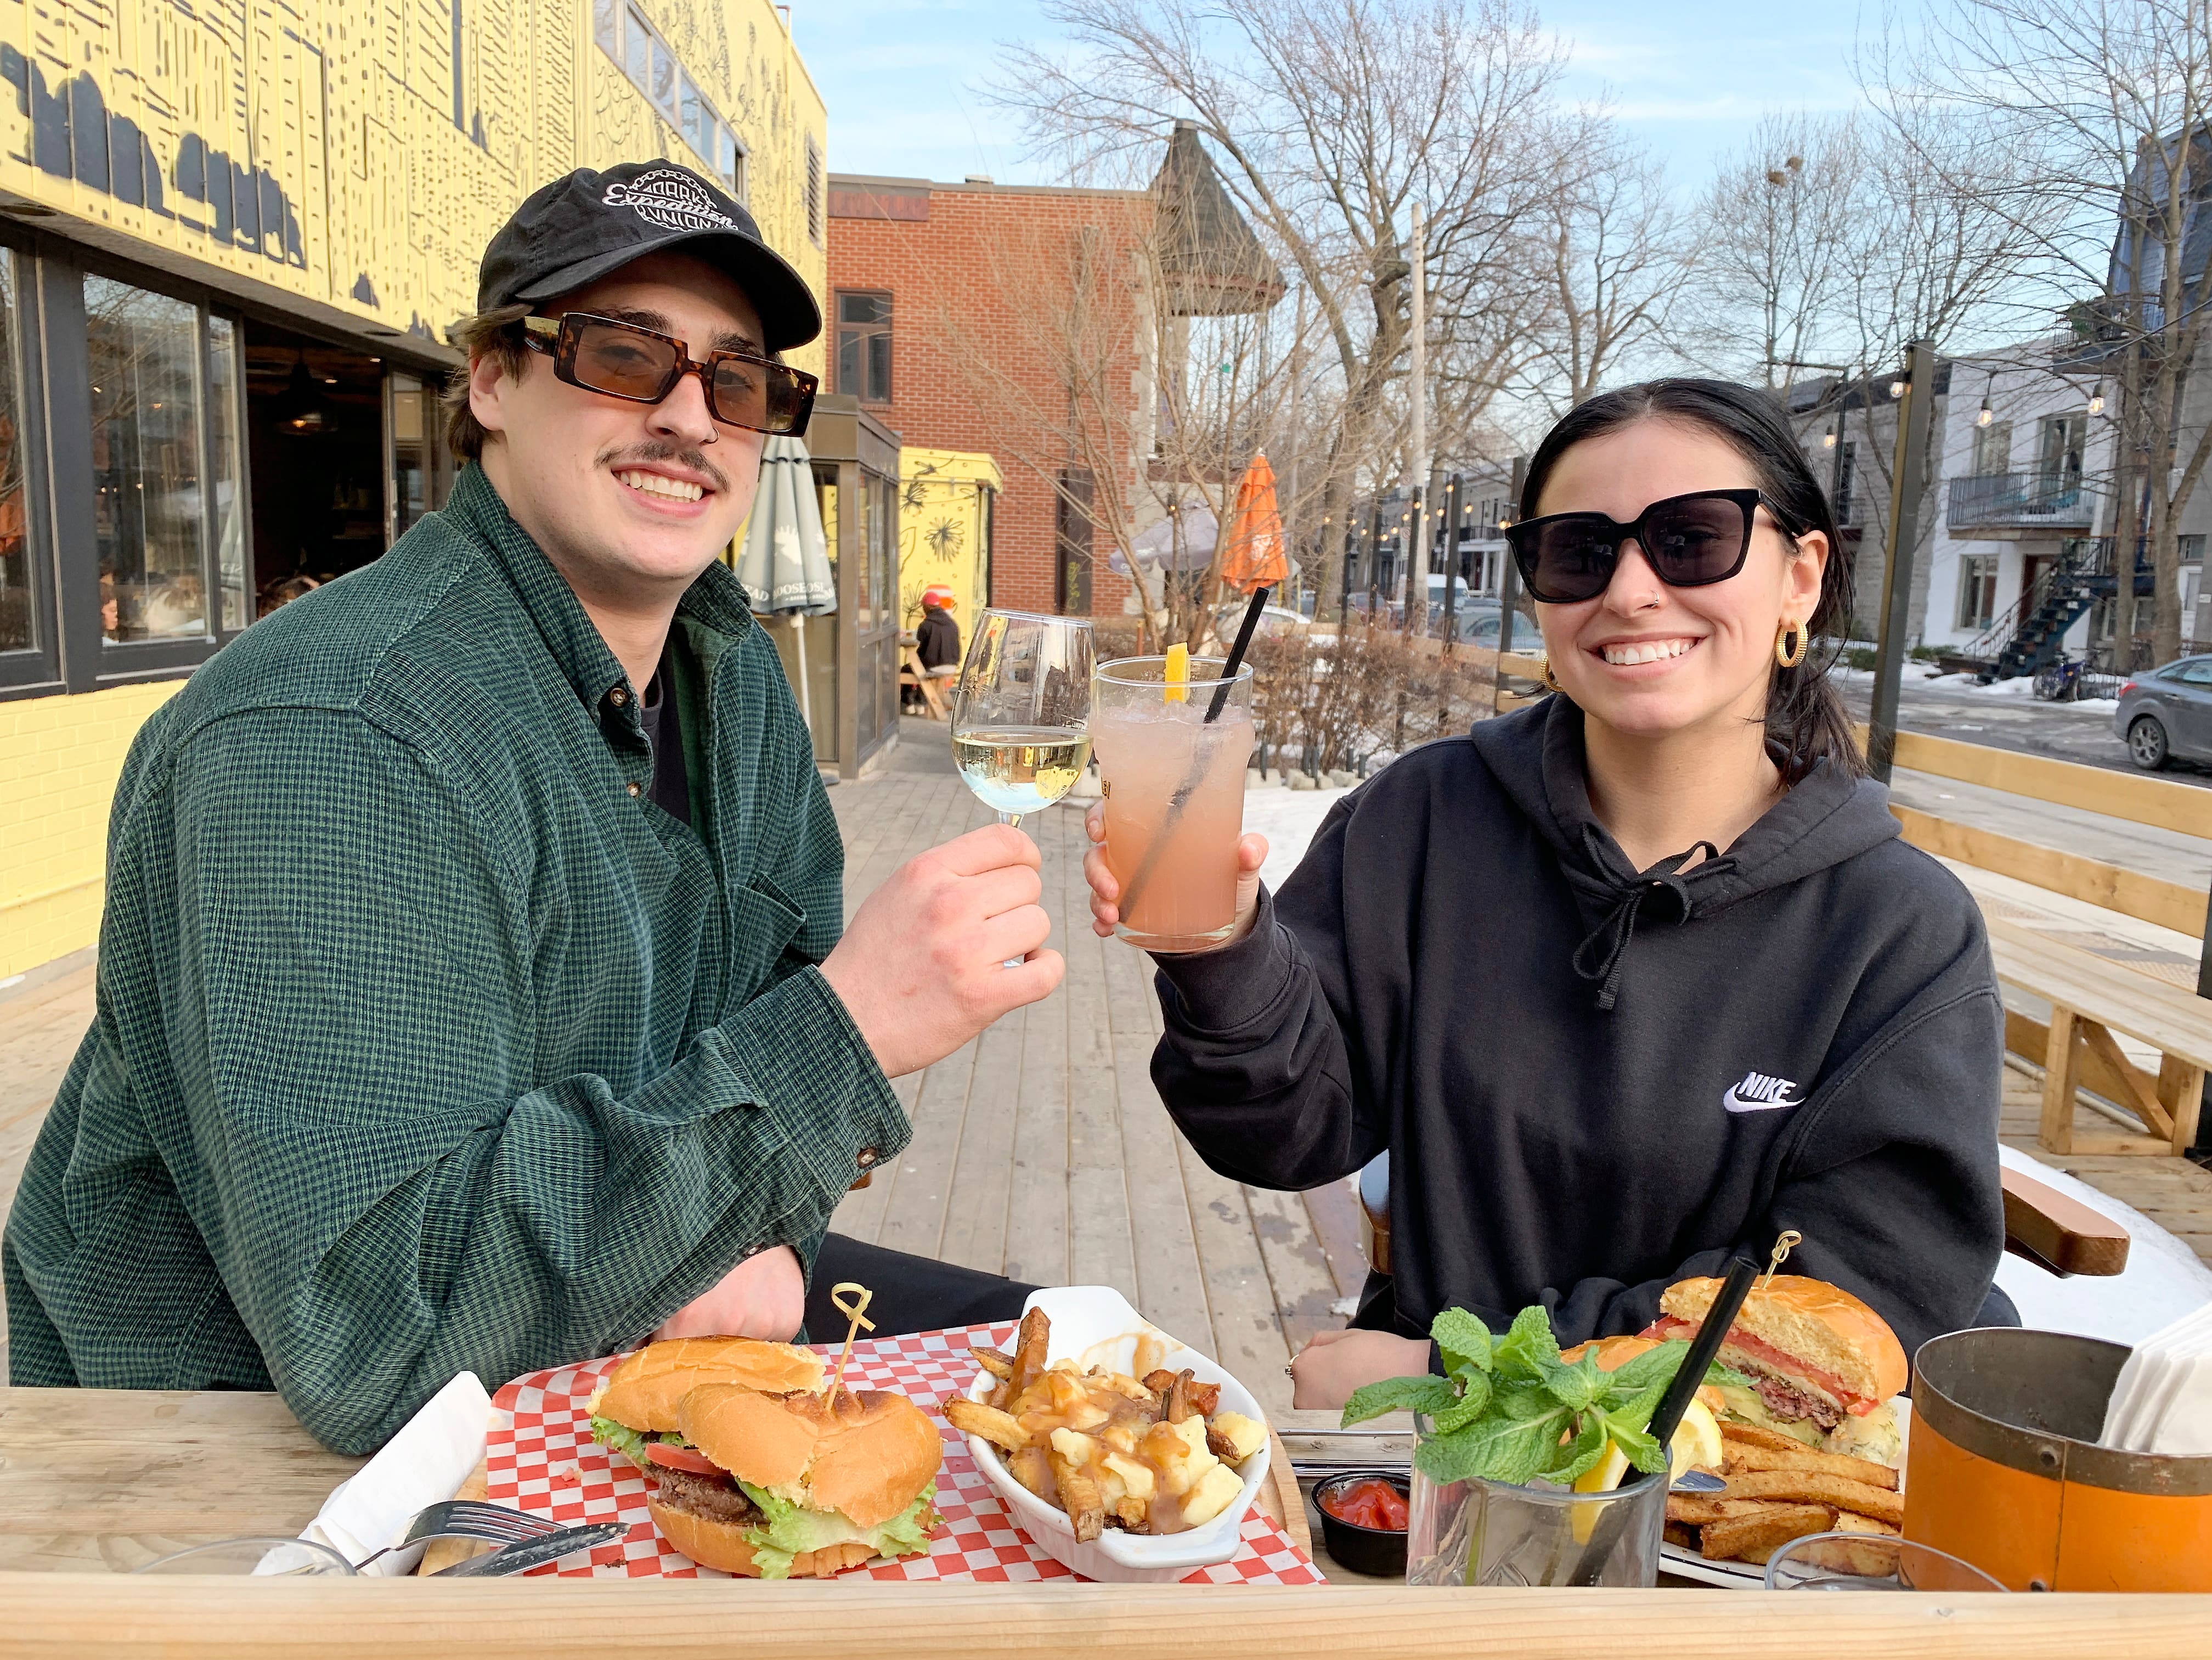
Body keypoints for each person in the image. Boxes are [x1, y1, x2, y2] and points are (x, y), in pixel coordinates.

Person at [3, 161, 1062, 1454]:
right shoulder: (333, 734)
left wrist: (769, 1238)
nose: (689, 416)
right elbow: (376, 1332)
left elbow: (779, 999)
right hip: (246, 1464)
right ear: (492, 380)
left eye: (736, 381)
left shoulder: (729, 672)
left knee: (1054, 1360)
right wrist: (851, 1034)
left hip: (610, 1332)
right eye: (624, 354)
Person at [1085, 379, 2007, 1410]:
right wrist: (1223, 949)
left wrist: (1470, 1378)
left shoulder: (1897, 930)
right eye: (1580, 551)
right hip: (1437, 1476)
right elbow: (1288, 1135)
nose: (1631, 591)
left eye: (1691, 539)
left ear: (1799, 577)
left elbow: (1864, 1306)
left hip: (1723, 1489)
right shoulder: (1423, 821)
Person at [915, 584, 962, 680]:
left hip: (933, 667)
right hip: (952, 666)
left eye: (923, 606)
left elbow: (921, 650)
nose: (923, 609)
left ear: (928, 607)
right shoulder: (953, 623)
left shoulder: (926, 625)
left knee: (906, 671)